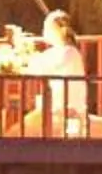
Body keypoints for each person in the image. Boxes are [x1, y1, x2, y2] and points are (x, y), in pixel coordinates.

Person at [27, 9, 90, 137]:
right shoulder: (63, 52)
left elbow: (38, 67)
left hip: (66, 110)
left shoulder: (67, 52)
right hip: (58, 108)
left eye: (48, 28)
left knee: (24, 128)